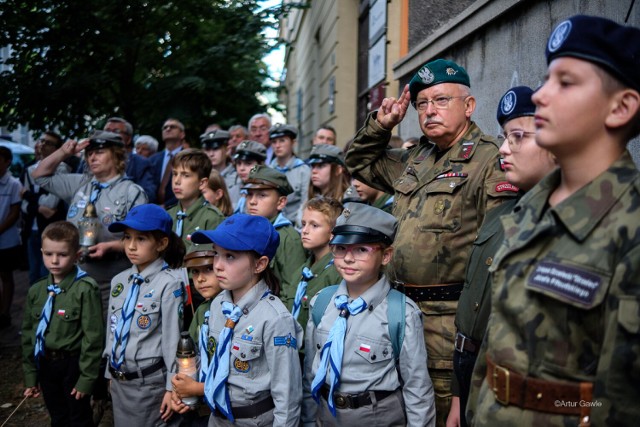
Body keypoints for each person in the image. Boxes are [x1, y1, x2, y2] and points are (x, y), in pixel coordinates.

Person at [467, 15, 640, 426]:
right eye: (546, 80)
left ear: (621, 107)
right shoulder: (530, 206)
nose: (541, 96)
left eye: (566, 82)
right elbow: (497, 347)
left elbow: (621, 405)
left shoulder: (630, 228)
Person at [345, 59, 518, 426]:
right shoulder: (416, 158)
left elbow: (497, 255)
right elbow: (358, 163)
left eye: (440, 100)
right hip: (396, 313)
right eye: (422, 104)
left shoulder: (491, 159)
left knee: (442, 416)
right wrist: (381, 124)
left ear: (468, 106)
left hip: (447, 323)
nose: (429, 111)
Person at [447, 86, 556, 427]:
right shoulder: (501, 212)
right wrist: (456, 397)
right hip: (468, 366)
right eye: (503, 136)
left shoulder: (560, 222)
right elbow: (472, 303)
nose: (504, 149)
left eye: (518, 137)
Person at [302, 202, 436, 426]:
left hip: (377, 417)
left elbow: (417, 389)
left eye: (362, 249)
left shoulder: (400, 313)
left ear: (386, 256)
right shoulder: (321, 302)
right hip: (326, 416)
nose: (348, 259)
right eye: (341, 248)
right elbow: (309, 376)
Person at [190, 214, 303, 426]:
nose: (218, 266)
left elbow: (287, 396)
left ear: (259, 264)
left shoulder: (275, 319)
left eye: (230, 257)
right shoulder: (217, 305)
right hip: (217, 419)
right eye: (216, 254)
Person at [32, 131, 148, 313]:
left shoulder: (131, 192)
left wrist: (109, 247)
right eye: (89, 153)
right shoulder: (80, 184)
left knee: (102, 335)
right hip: (72, 278)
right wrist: (64, 151)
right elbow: (40, 175)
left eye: (100, 152)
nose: (92, 157)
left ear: (116, 155)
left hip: (109, 283)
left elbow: (143, 239)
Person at [105, 204, 186, 426]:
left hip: (149, 384)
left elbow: (173, 341)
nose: (131, 246)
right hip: (121, 379)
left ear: (161, 243)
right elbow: (112, 331)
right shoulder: (119, 281)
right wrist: (109, 373)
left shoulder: (169, 284)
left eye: (141, 239)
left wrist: (172, 388)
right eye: (127, 237)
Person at [21, 221, 104, 427]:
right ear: (41, 252)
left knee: (79, 418)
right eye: (48, 254)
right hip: (47, 364)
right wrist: (31, 375)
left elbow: (93, 337)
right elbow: (30, 335)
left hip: (73, 365)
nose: (54, 261)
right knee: (58, 417)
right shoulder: (37, 290)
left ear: (76, 255)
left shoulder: (85, 288)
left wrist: (86, 378)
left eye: (62, 255)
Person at [170, 249, 223, 426]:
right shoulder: (202, 311)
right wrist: (178, 390)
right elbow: (192, 358)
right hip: (199, 407)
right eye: (195, 272)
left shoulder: (232, 312)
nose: (200, 279)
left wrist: (197, 388)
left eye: (208, 270)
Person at [242, 165, 307, 304]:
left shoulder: (287, 238)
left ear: (281, 202)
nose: (252, 201)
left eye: (262, 195)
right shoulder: (247, 231)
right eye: (249, 194)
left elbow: (291, 291)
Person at [283, 196, 342, 346]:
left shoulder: (336, 273)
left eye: (314, 225)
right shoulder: (302, 272)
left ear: (333, 232)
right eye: (303, 224)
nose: (305, 231)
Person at [22, 132, 70, 284]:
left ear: (57, 149)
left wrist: (29, 196)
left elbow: (52, 204)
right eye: (41, 141)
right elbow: (23, 205)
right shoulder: (29, 169)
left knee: (48, 274)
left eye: (48, 143)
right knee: (33, 274)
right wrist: (39, 207)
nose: (42, 145)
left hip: (52, 228)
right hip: (32, 228)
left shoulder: (62, 168)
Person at [166, 149, 224, 253]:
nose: (177, 181)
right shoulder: (168, 215)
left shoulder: (212, 218)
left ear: (202, 183)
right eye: (175, 174)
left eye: (185, 175)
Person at [103, 117, 158, 203]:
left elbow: (148, 195)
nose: (110, 134)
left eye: (116, 131)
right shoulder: (89, 159)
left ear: (128, 139)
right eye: (107, 131)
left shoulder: (141, 163)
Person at [269, 124, 310, 228]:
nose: (277, 145)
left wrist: (299, 226)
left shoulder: (303, 170)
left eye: (282, 140)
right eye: (274, 142)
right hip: (271, 224)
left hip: (295, 224)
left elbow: (305, 201)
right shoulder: (269, 170)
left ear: (293, 142)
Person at [0, 146, 23, 329]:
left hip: (6, 239)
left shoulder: (14, 184)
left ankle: (5, 312)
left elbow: (14, 213)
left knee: (6, 276)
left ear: (7, 162)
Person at [151, 118, 187, 207]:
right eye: (165, 127)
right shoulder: (153, 159)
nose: (168, 129)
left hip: (179, 208)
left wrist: (167, 205)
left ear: (182, 134)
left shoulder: (189, 158)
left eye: (173, 127)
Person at [199, 130, 238, 205]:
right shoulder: (200, 176)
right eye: (207, 150)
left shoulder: (238, 177)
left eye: (216, 149)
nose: (211, 154)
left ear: (227, 150)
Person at [229, 140, 267, 213]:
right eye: (239, 163)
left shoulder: (268, 191)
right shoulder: (231, 191)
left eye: (248, 163)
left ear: (260, 165)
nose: (241, 168)